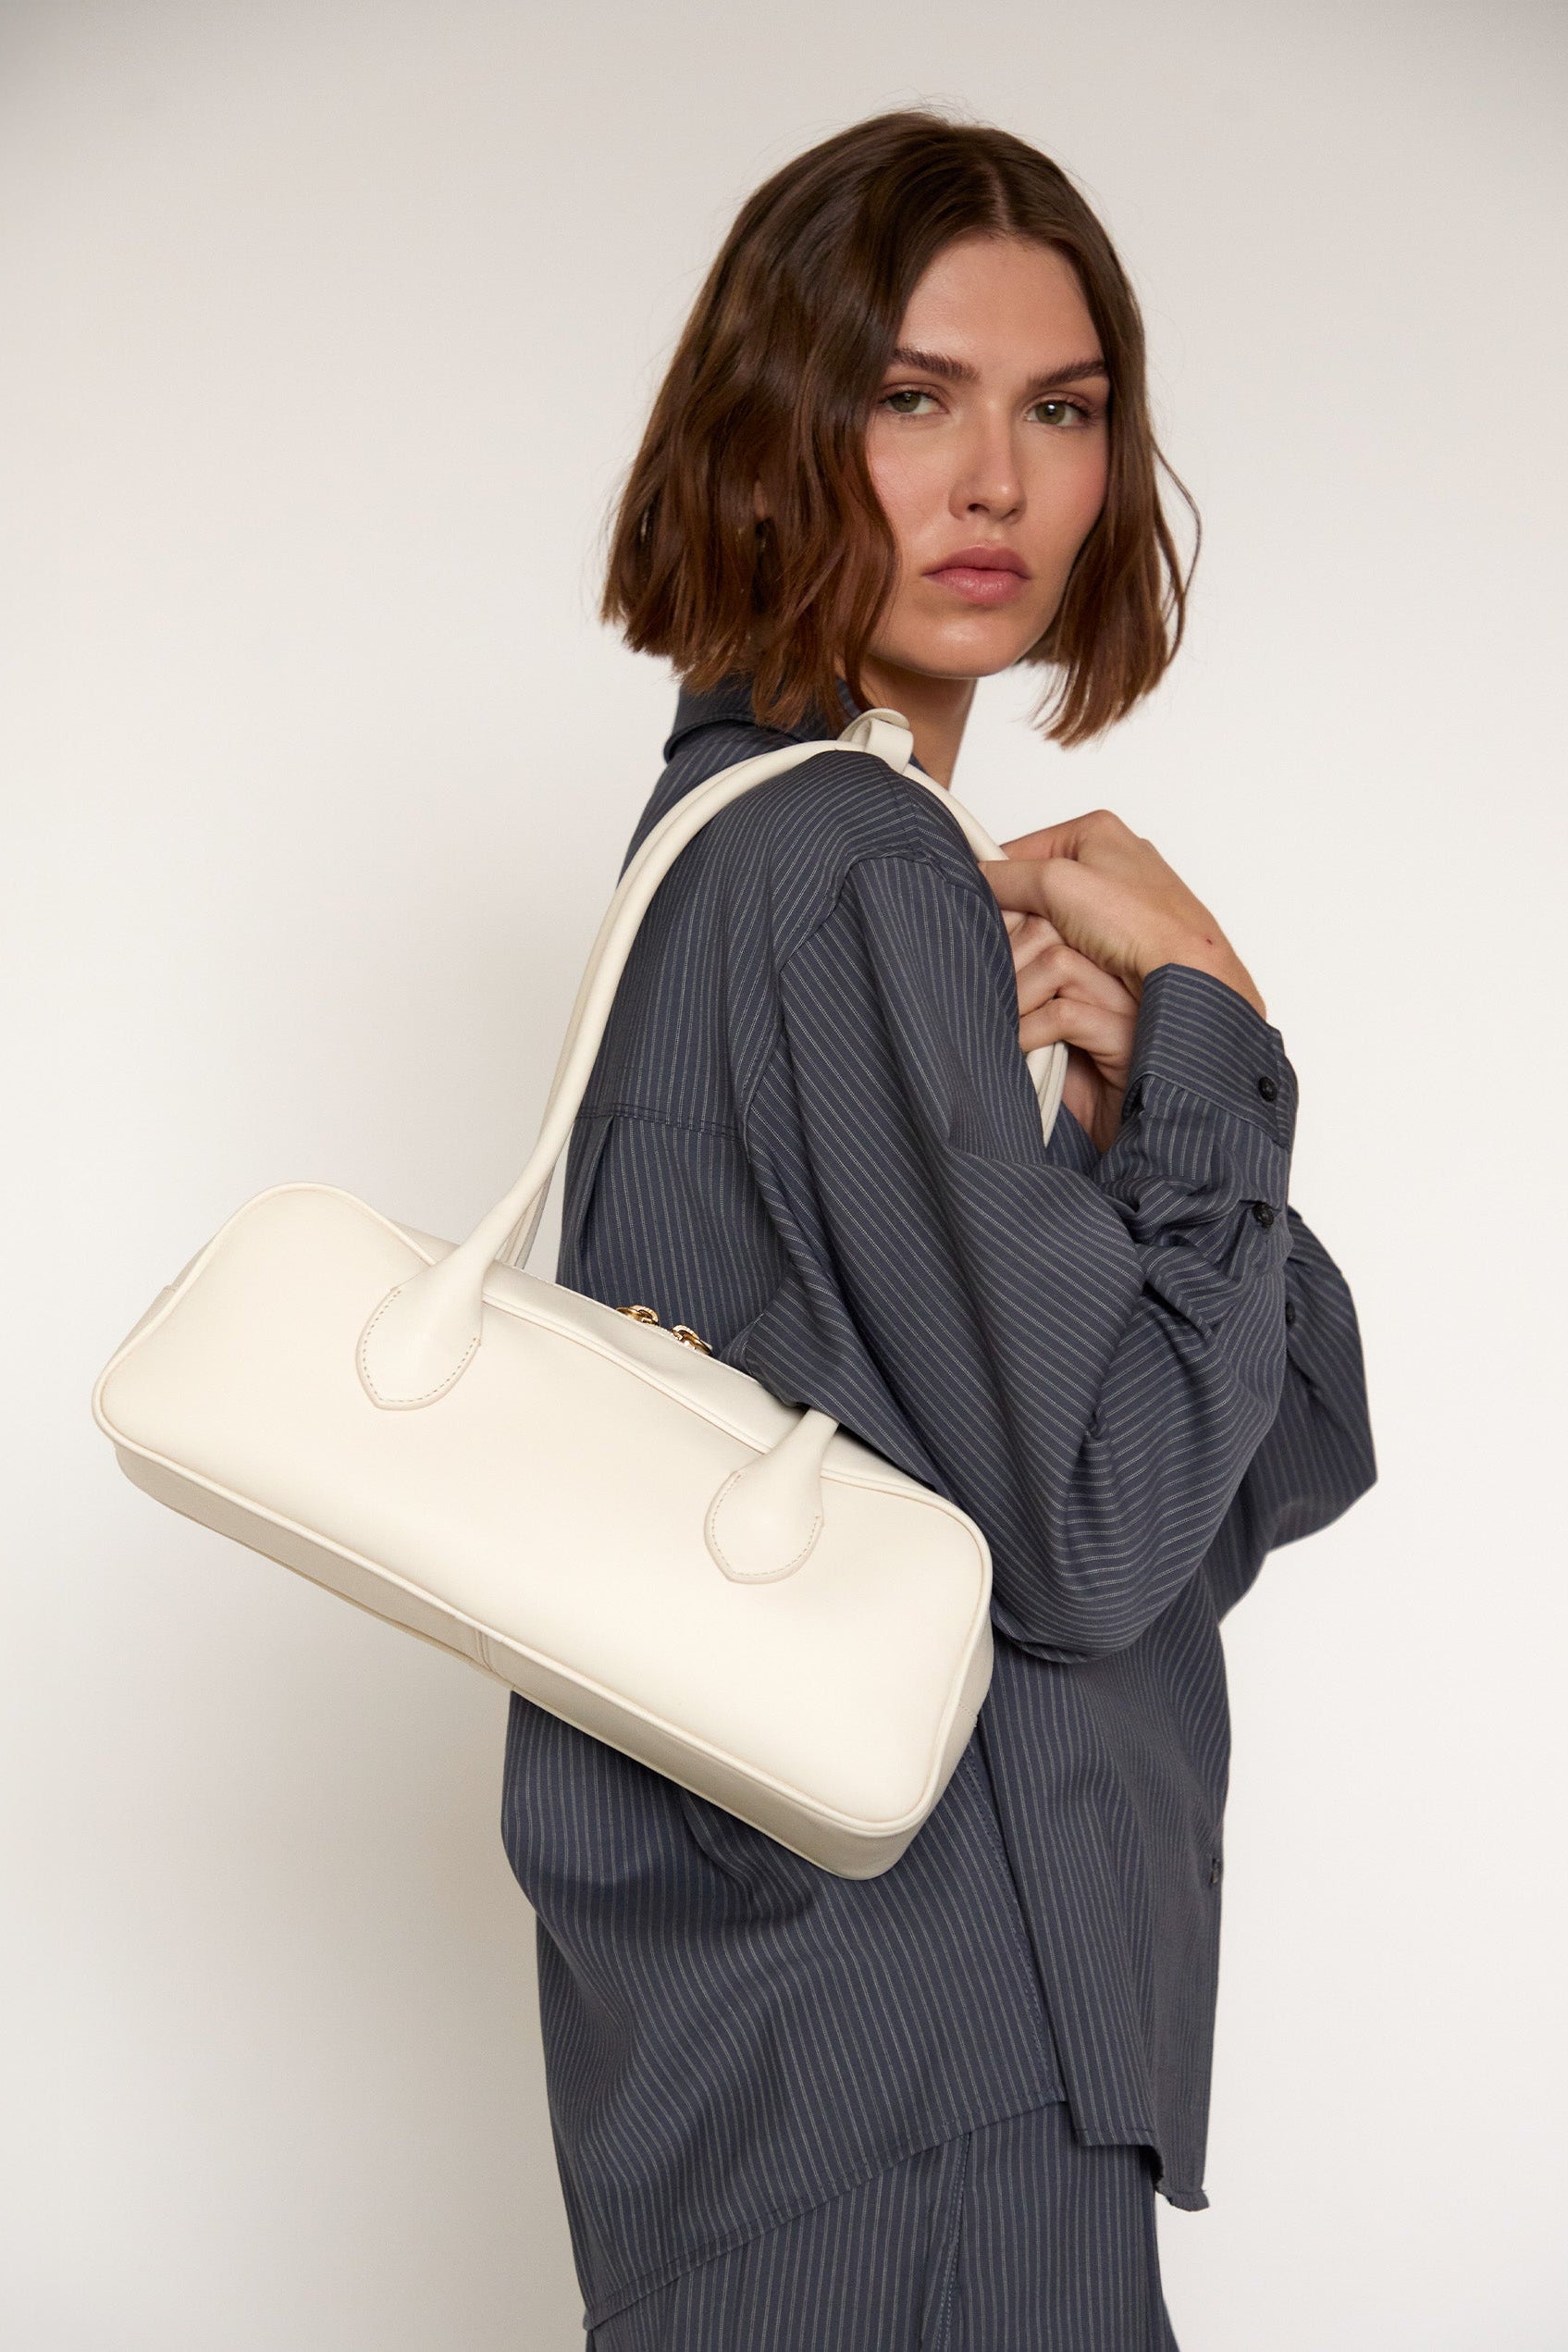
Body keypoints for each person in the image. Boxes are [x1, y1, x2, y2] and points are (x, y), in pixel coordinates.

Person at [500, 108, 1377, 2350]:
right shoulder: (843, 872)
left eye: (1059, 409)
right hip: (919, 2053)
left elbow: (1260, 1459)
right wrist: (1221, 1032)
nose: (993, 482)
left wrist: (1144, 1101)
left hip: (824, 2061)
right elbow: (1100, 1538)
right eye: (913, 395)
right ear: (777, 423)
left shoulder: (741, 855)